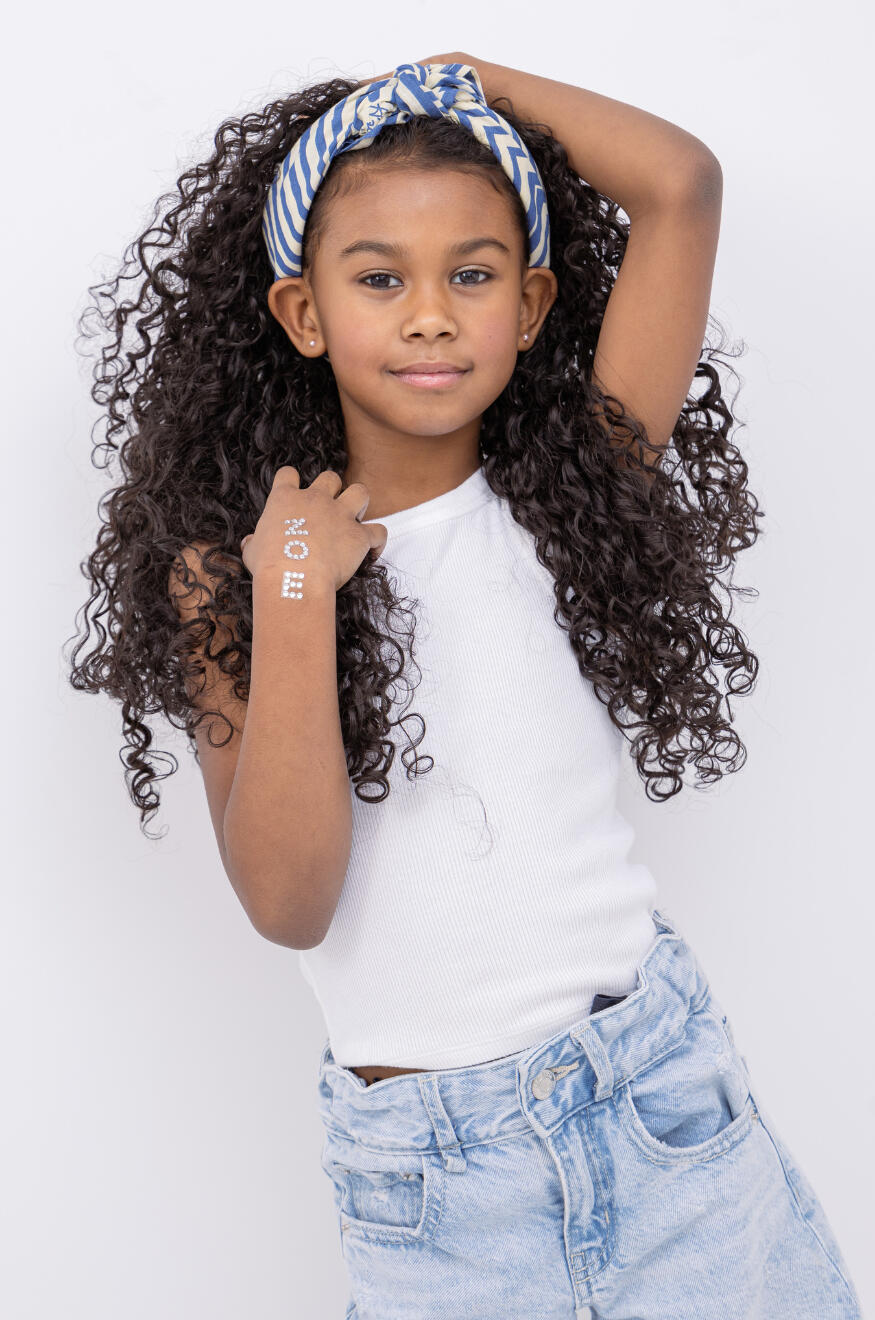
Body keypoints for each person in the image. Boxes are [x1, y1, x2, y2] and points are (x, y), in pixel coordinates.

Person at [69, 52, 862, 1319]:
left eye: (474, 275)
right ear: (303, 313)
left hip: (662, 1117)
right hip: (439, 1196)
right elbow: (287, 902)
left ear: (532, 302)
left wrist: (457, 80)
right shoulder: (234, 577)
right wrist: (295, 595)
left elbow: (678, 185)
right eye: (379, 278)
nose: (430, 315)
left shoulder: (576, 491)